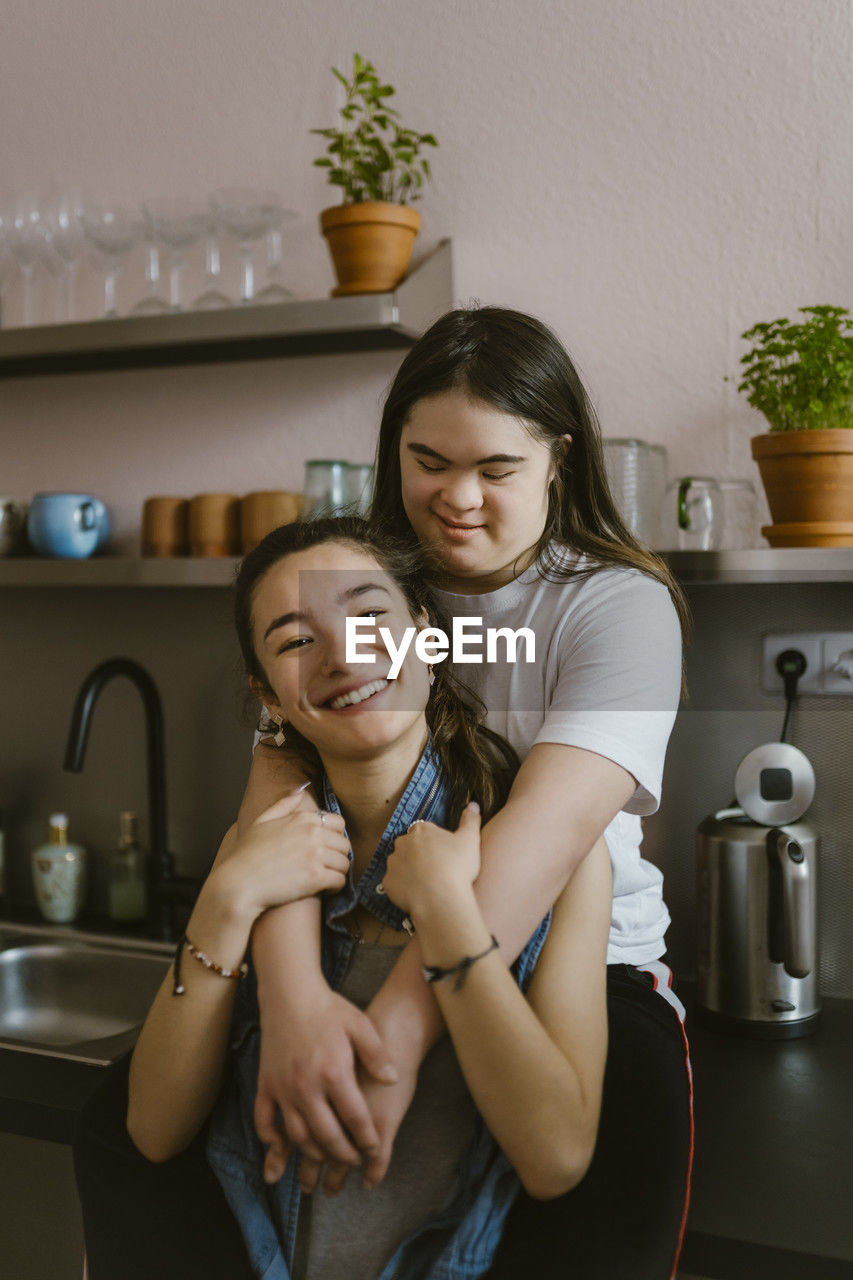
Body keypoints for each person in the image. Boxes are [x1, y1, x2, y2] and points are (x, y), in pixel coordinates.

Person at [241, 306, 693, 1279]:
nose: (456, 497)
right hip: (348, 946)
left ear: (557, 459)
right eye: (428, 460)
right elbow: (277, 798)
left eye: (495, 469)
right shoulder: (357, 582)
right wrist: (291, 1000)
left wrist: (390, 1047)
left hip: (585, 976)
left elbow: (544, 836)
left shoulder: (618, 606)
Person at [124, 517, 612, 1280]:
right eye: (293, 640)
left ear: (425, 632)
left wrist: (449, 916)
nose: (344, 654)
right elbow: (153, 1128)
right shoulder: (251, 856)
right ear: (268, 697)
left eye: (369, 615)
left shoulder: (556, 858)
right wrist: (227, 899)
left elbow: (556, 1156)